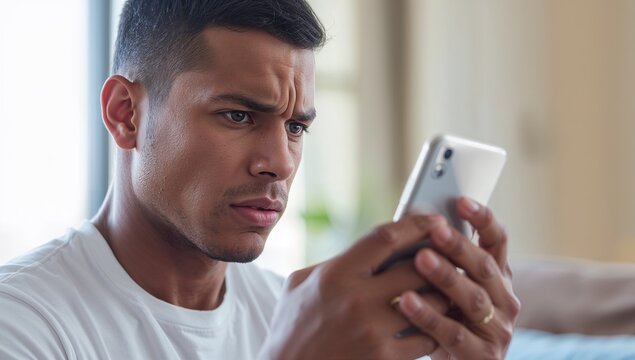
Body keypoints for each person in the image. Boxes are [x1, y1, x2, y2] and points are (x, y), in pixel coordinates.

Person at [0, 0, 519, 359]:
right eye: (239, 116)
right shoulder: (22, 323)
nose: (281, 162)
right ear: (125, 114)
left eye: (296, 126)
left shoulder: (294, 315)